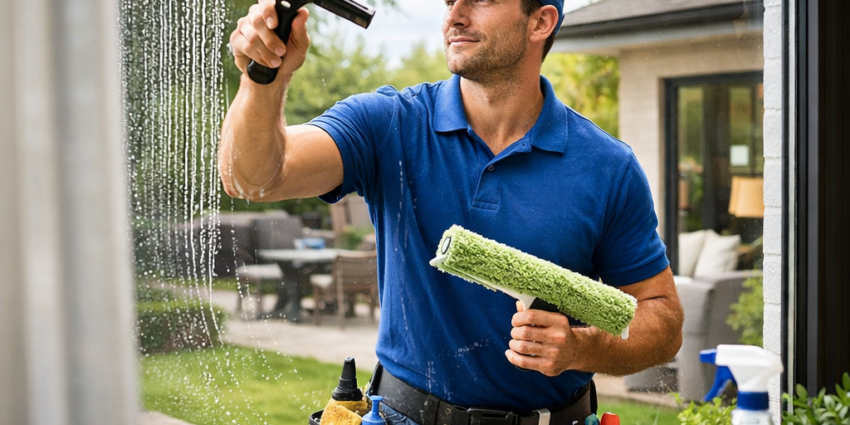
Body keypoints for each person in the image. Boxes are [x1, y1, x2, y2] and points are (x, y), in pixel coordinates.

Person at [220, 0, 684, 423]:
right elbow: (255, 178)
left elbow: (663, 322)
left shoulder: (606, 167)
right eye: (448, 1)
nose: (454, 15)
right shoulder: (391, 123)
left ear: (540, 21)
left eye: (480, 0)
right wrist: (265, 77)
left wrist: (582, 347)